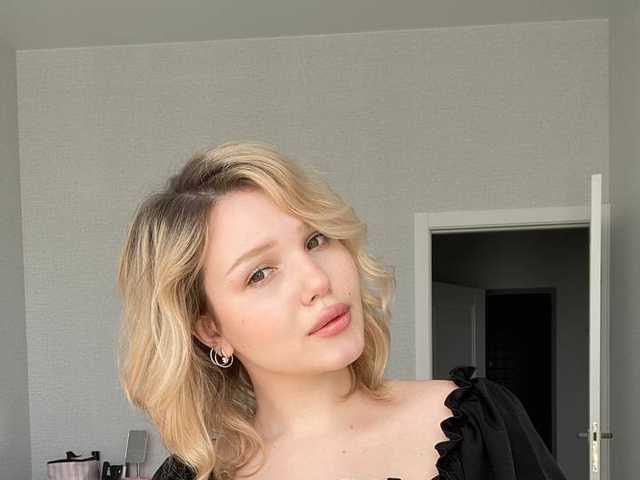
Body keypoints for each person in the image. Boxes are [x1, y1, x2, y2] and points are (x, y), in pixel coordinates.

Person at [116, 142, 567, 480]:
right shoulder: (191, 475)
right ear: (211, 329)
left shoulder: (478, 425)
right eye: (260, 273)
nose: (317, 281)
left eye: (316, 240)